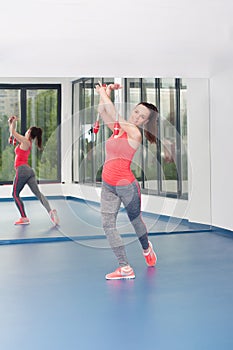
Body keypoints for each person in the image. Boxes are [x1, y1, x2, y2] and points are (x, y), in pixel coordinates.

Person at [95, 82, 158, 280]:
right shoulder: (117, 130)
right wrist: (104, 94)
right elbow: (103, 111)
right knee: (107, 225)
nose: (137, 117)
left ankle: (146, 248)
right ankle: (124, 267)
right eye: (136, 112)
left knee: (135, 221)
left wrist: (104, 93)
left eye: (142, 117)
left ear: (145, 122)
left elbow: (114, 113)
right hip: (108, 185)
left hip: (127, 187)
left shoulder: (134, 133)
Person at [8, 116, 59, 226]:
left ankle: (24, 217)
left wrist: (12, 123)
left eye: (27, 130)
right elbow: (12, 134)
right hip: (29, 171)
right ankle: (51, 212)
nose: (26, 131)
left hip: (22, 170)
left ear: (29, 132)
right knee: (38, 194)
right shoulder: (26, 143)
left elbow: (13, 132)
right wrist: (11, 123)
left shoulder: (25, 141)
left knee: (15, 194)